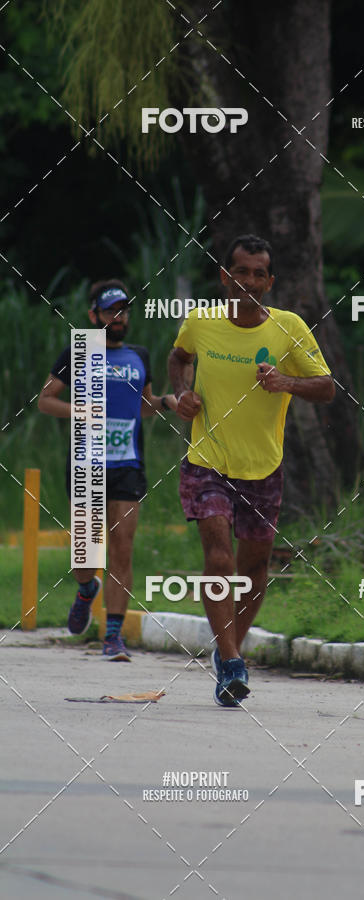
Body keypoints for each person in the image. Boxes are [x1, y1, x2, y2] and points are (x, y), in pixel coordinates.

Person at [168, 234, 335, 706]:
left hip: (263, 466)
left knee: (254, 569)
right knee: (219, 557)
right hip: (208, 461)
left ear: (269, 282)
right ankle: (232, 660)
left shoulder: (288, 328)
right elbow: (178, 358)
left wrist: (286, 382)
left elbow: (326, 387)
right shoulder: (200, 322)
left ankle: (229, 653)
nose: (249, 281)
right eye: (240, 271)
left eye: (259, 273)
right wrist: (183, 393)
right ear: (225, 276)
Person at [38, 280, 177, 660]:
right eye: (112, 311)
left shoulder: (139, 356)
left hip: (128, 464)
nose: (119, 317)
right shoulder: (78, 351)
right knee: (84, 553)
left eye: (124, 310)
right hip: (86, 462)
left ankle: (112, 636)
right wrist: (80, 411)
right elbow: (46, 401)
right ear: (93, 315)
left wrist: (165, 402)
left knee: (122, 550)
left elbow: (143, 406)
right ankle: (86, 591)